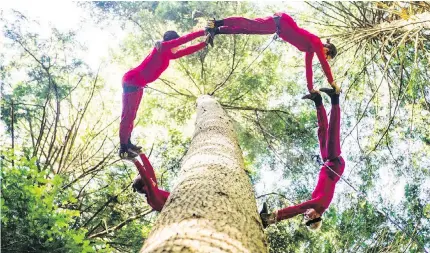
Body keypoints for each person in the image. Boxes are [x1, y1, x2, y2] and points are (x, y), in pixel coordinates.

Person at [260, 87, 345, 230]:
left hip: (327, 163)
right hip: (335, 165)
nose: (307, 215)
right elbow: (297, 209)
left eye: (306, 217)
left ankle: (318, 101)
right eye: (310, 218)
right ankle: (335, 98)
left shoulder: (315, 203)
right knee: (332, 134)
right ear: (317, 216)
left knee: (322, 132)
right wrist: (272, 218)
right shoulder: (320, 205)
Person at [119, 30, 212, 159]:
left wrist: (203, 44)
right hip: (131, 80)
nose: (179, 47)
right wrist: (204, 32)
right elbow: (185, 39)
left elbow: (186, 51)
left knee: (132, 114)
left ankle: (127, 142)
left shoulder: (168, 54)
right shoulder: (163, 47)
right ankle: (123, 147)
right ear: (171, 42)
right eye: (176, 44)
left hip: (138, 85)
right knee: (128, 114)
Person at [206, 13, 339, 94]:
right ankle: (215, 22)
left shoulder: (310, 50)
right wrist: (332, 83)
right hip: (280, 22)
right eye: (328, 57)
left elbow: (309, 68)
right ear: (327, 50)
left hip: (276, 29)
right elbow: (323, 64)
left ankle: (216, 31)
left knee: (247, 30)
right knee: (249, 24)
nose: (325, 59)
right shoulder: (316, 41)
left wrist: (310, 88)